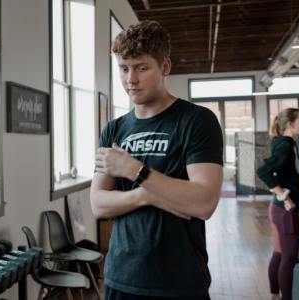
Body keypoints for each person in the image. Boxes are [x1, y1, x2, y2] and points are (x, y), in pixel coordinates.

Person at [91, 20, 224, 299]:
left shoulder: (197, 121)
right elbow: (99, 204)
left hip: (180, 279)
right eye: (124, 68)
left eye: (141, 67)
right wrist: (148, 195)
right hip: (121, 276)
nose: (131, 79)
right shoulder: (114, 129)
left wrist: (134, 170)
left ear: (165, 67)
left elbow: (203, 203)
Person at [257, 108, 299, 300]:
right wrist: (284, 196)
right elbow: (263, 172)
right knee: (289, 257)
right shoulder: (285, 146)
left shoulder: (287, 144)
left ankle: (274, 296)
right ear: (290, 125)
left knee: (279, 253)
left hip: (278, 210)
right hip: (284, 212)